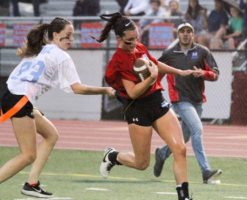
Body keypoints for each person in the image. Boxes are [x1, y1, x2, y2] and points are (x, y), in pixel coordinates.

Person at [0, 17, 115, 198]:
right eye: (68, 35)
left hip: (13, 94)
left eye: (73, 36)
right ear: (55, 34)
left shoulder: (41, 48)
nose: (71, 39)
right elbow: (78, 88)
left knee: (51, 135)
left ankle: (31, 184)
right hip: (18, 99)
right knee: (28, 155)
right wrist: (106, 90)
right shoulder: (61, 56)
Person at [95, 12, 196, 200]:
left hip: (156, 100)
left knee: (180, 149)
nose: (133, 43)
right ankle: (112, 156)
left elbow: (155, 63)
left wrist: (179, 72)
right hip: (137, 108)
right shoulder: (118, 61)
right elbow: (133, 92)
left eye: (136, 38)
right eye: (129, 41)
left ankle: (184, 197)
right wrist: (151, 77)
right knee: (142, 164)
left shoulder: (138, 47)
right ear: (119, 39)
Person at [153, 22, 222, 184]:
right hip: (180, 100)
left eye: (188, 31)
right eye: (182, 31)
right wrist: (152, 92)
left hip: (197, 100)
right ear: (178, 34)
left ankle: (162, 154)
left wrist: (204, 73)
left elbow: (216, 73)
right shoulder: (170, 53)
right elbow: (157, 72)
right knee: (197, 130)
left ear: (193, 34)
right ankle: (206, 171)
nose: (185, 34)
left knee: (184, 136)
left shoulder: (202, 51)